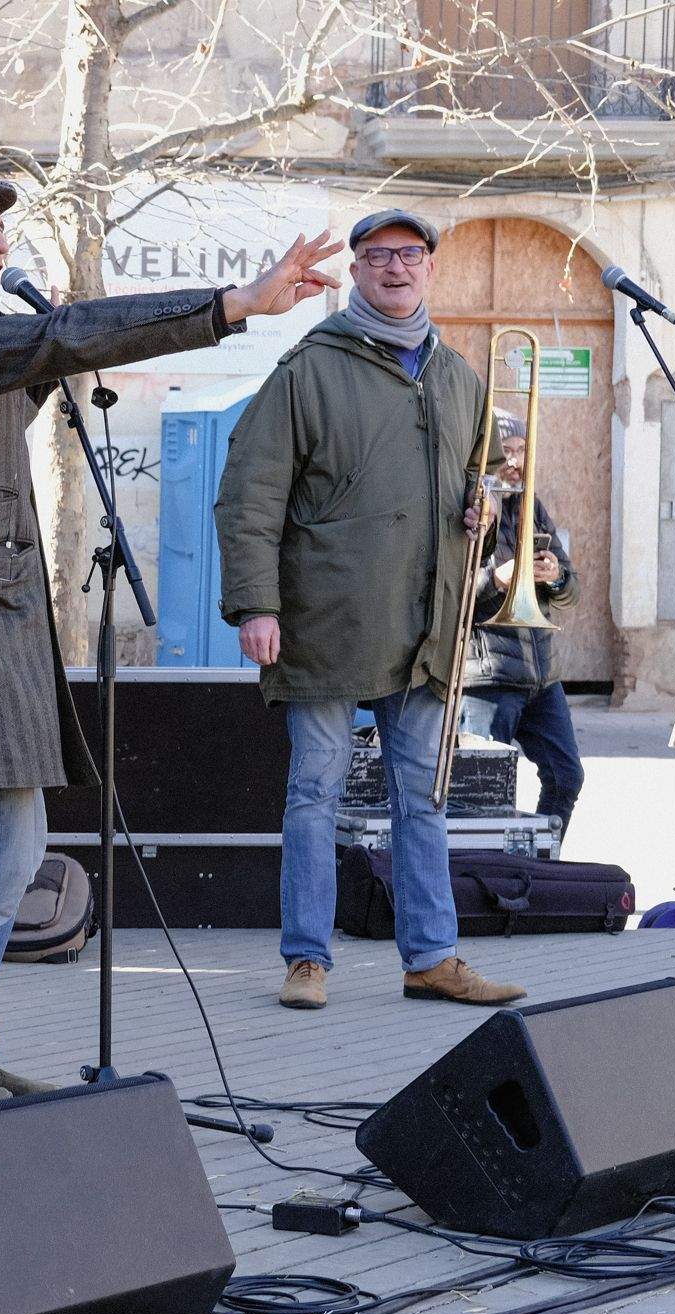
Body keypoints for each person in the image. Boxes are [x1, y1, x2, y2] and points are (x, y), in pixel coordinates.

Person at [0, 169, 340, 1121]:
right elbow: (57, 339)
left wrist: (40, 357)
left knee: (10, 848)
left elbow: (2, 395)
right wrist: (230, 305)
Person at [215, 208, 526, 1013]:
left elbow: (483, 482)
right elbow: (249, 494)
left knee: (422, 798)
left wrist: (480, 512)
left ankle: (431, 957)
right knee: (315, 792)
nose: (395, 268)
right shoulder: (307, 369)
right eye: (377, 256)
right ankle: (307, 959)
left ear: (429, 270)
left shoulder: (459, 377)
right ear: (354, 272)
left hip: (425, 627)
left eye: (410, 255)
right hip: (324, 622)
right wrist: (255, 602)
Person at [461, 409, 584, 836]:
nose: (514, 461)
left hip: (540, 677)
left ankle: (535, 867)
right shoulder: (466, 509)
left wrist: (557, 576)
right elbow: (447, 600)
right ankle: (482, 883)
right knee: (482, 798)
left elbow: (571, 590)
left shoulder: (530, 506)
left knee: (567, 777)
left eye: (520, 451)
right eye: (505, 452)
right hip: (486, 678)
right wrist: (497, 579)